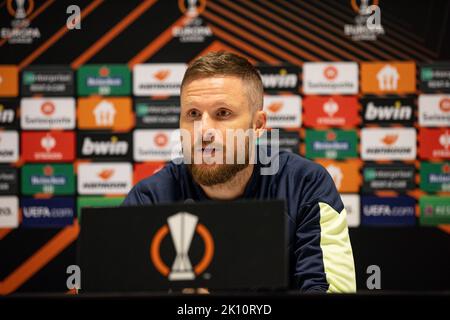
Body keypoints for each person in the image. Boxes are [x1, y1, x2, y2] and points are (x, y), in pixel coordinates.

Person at [122, 51, 356, 293]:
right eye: (193, 114)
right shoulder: (149, 200)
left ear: (258, 125)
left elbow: (328, 290)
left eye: (222, 113)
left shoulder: (305, 185)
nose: (204, 132)